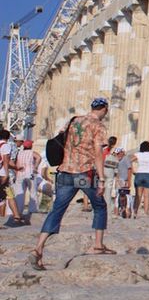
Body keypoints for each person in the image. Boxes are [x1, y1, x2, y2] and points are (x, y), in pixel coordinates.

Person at [28, 98, 114, 271]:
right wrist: (102, 178)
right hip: (84, 172)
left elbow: (62, 138)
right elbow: (98, 152)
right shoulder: (98, 126)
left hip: (65, 171)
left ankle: (38, 248)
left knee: (57, 210)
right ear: (104, 109)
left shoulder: (73, 121)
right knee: (100, 206)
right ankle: (98, 245)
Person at [0, 129, 24, 225]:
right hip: (2, 174)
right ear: (8, 137)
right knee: (8, 195)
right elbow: (6, 161)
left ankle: (16, 215)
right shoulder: (5, 146)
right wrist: (8, 172)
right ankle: (13, 216)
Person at [13, 140, 42, 215]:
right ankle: (33, 209)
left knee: (20, 193)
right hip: (30, 173)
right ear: (31, 146)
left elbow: (16, 163)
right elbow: (39, 157)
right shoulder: (32, 152)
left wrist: (16, 174)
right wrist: (35, 166)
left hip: (20, 174)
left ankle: (18, 211)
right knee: (32, 191)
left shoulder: (19, 153)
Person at [115, 150, 133, 219]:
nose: (117, 155)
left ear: (122, 153)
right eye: (117, 154)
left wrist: (129, 180)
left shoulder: (126, 159)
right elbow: (118, 171)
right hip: (120, 179)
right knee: (118, 196)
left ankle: (127, 212)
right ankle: (118, 212)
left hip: (124, 179)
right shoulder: (119, 160)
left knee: (126, 196)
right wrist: (117, 179)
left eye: (118, 153)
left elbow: (129, 169)